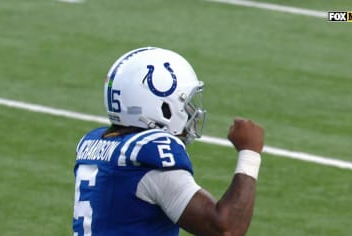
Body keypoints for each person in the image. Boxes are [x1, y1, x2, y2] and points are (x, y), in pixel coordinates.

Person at [72, 47, 264, 236]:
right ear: (163, 107)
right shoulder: (147, 157)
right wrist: (250, 152)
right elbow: (226, 228)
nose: (191, 112)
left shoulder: (97, 144)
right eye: (185, 103)